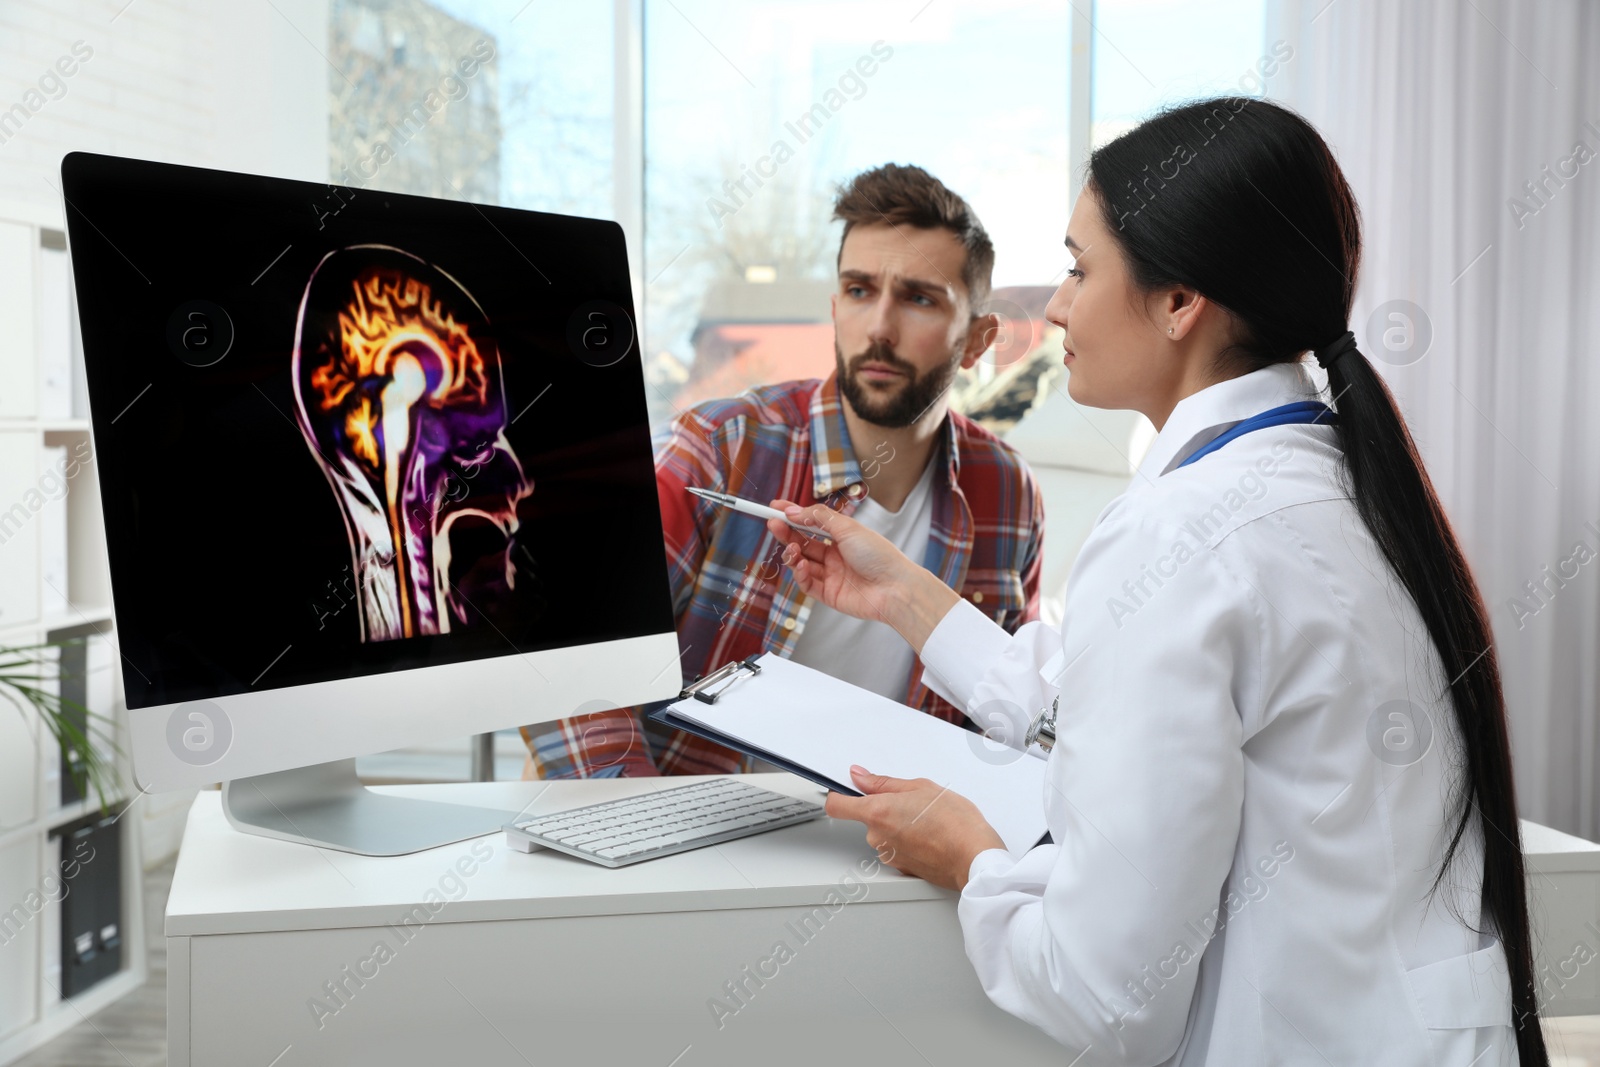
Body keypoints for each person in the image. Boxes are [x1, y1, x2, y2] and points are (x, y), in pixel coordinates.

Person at [768, 99, 1546, 1065]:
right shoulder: (1331, 480)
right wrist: (907, 598)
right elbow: (1135, 715)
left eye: (1079, 267)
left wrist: (970, 854)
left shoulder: (1182, 530)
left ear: (1180, 302)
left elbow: (1109, 996)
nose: (1051, 306)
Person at [521, 163, 1045, 778]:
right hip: (689, 827)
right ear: (834, 307)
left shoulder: (1007, 492)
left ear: (979, 340)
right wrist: (642, 825)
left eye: (919, 298)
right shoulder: (724, 447)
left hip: (887, 850)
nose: (878, 328)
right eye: (858, 291)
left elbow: (1010, 728)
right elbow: (571, 655)